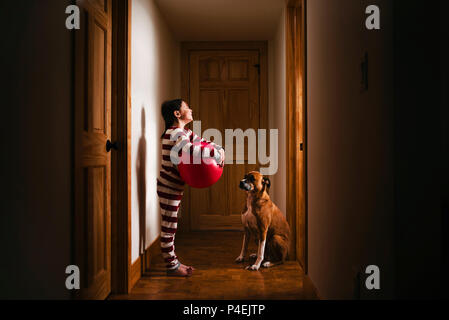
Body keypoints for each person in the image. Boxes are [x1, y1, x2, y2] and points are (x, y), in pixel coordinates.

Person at [156, 99, 225, 277]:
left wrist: (219, 148)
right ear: (177, 114)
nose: (191, 109)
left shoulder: (183, 131)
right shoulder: (175, 133)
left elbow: (203, 142)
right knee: (169, 227)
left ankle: (174, 262)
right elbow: (188, 149)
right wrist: (216, 154)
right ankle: (171, 266)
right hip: (168, 186)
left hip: (175, 185)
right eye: (187, 108)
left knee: (172, 225)